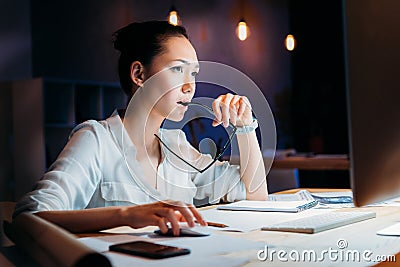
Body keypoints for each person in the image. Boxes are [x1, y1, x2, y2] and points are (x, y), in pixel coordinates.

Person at [13, 21, 267, 235]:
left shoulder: (178, 145)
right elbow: (29, 217)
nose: (190, 86)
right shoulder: (96, 139)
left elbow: (256, 197)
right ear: (139, 75)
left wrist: (244, 126)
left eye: (194, 74)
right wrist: (126, 215)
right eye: (178, 69)